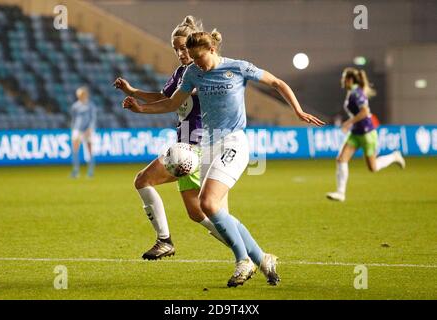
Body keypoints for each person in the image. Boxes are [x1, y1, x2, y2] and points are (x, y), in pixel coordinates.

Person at [121, 29, 325, 287]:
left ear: (213, 50)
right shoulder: (193, 72)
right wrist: (141, 109)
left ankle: (243, 262)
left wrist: (297, 110)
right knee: (214, 212)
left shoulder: (238, 68)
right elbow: (172, 103)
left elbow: (276, 83)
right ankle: (263, 259)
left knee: (207, 203)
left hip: (233, 142)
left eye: (199, 57)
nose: (195, 63)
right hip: (208, 145)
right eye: (192, 57)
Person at [113, 16, 227, 261]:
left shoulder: (203, 71)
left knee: (143, 180)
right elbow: (163, 97)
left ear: (195, 44)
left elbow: (173, 101)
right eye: (175, 49)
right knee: (197, 213)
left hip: (196, 146)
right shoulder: (180, 73)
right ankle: (247, 252)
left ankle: (164, 241)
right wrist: (133, 92)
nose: (179, 53)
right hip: (186, 144)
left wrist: (140, 107)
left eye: (183, 47)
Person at [326, 68, 405, 202]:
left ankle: (394, 156)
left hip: (367, 133)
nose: (342, 80)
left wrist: (348, 122)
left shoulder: (357, 93)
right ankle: (340, 193)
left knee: (372, 168)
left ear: (350, 80)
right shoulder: (352, 92)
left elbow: (364, 112)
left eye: (344, 78)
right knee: (341, 159)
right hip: (355, 133)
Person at [70, 86, 96, 178]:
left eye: (81, 94)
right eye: (79, 94)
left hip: (88, 130)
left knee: (89, 151)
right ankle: (76, 170)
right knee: (75, 150)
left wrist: (90, 129)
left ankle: (90, 171)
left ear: (85, 94)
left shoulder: (90, 105)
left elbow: (93, 118)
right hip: (77, 130)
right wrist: (73, 129)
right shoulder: (75, 106)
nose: (80, 96)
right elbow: (73, 119)